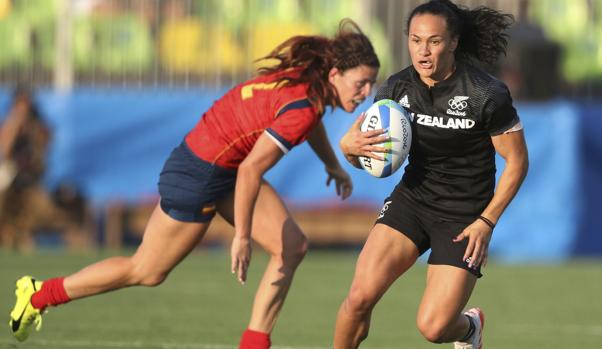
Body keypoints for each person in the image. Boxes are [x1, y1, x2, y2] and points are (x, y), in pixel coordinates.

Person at [9, 19, 380, 348]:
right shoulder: (304, 105)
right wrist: (242, 237)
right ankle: (40, 295)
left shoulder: (306, 84)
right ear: (334, 75)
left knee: (292, 246)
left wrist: (334, 165)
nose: (365, 94)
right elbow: (254, 168)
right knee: (146, 271)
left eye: (371, 85)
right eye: (361, 84)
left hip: (224, 167)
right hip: (199, 175)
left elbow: (300, 125)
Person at [333, 1, 528, 349]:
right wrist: (349, 149)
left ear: (453, 43)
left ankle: (470, 329)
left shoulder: (486, 94)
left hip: (464, 218)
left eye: (434, 41)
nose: (423, 51)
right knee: (358, 298)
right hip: (412, 202)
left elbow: (517, 163)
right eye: (415, 40)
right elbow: (372, 159)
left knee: (434, 328)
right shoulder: (396, 89)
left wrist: (486, 222)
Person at [0, 85, 90, 251]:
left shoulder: (39, 127)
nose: (23, 110)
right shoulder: (8, 125)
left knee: (43, 215)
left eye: (26, 105)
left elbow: (43, 150)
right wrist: (14, 125)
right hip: (10, 180)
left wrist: (31, 129)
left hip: (32, 181)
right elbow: (4, 151)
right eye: (19, 105)